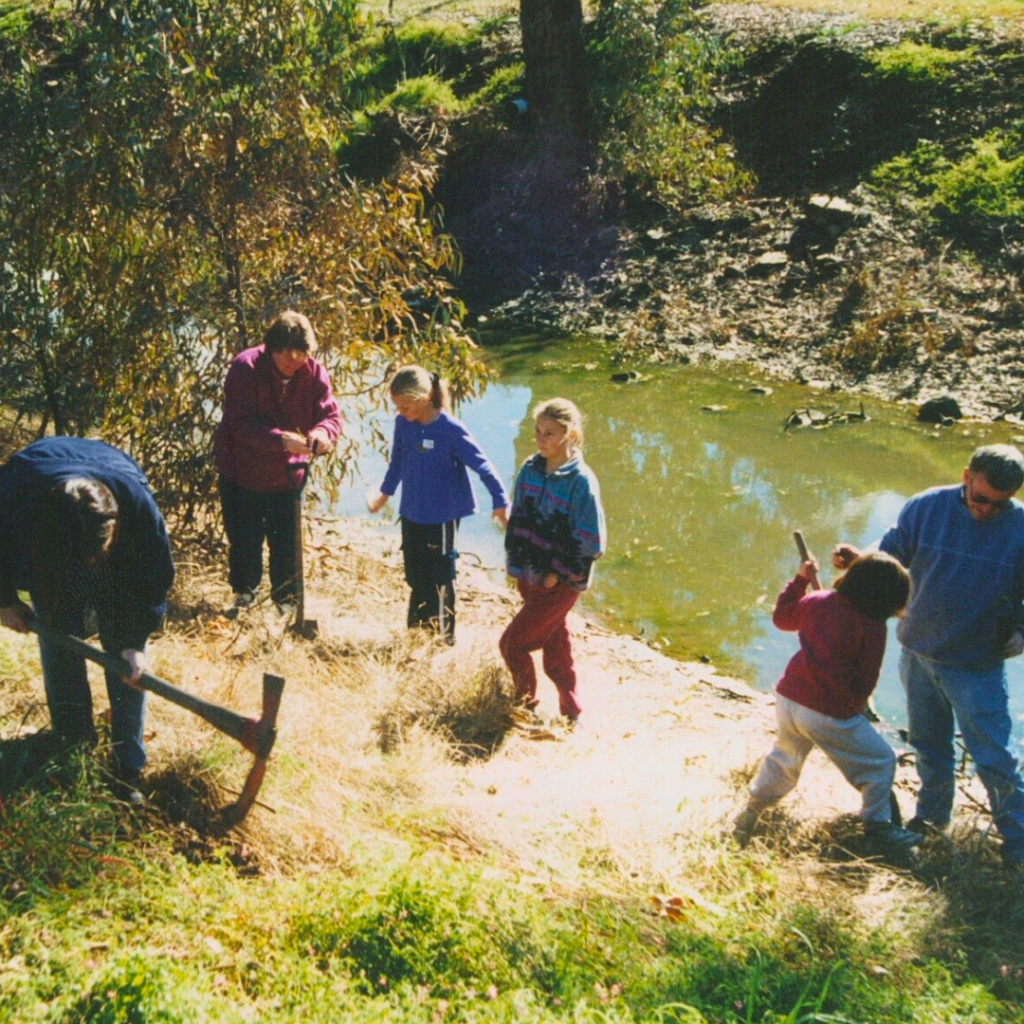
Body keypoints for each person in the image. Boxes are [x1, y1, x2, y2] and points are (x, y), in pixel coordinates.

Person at [833, 444, 1024, 870]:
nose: (987, 510)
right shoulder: (926, 507)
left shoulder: (1021, 528)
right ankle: (932, 821)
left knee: (994, 758)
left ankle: (1018, 842)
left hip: (977, 665)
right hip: (918, 652)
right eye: (980, 498)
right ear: (966, 477)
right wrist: (858, 562)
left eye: (1000, 504)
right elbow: (890, 554)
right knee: (929, 747)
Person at [0, 437, 175, 804]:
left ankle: (128, 766)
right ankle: (73, 744)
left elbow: (155, 576)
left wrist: (134, 643)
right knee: (58, 635)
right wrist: (6, 602)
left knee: (127, 665)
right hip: (45, 546)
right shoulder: (14, 496)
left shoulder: (137, 508)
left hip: (121, 559)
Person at [732, 551, 922, 859]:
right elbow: (866, 678)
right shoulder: (872, 626)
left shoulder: (818, 601)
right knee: (881, 761)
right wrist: (857, 709)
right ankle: (878, 827)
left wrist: (800, 581)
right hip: (826, 710)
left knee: (784, 758)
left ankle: (751, 811)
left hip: (789, 698)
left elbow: (782, 618)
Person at [367, 365, 509, 644]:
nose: (400, 412)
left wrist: (500, 500)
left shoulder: (449, 429)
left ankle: (443, 640)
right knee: (415, 575)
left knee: (440, 577)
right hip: (411, 512)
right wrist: (384, 495)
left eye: (405, 406)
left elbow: (482, 465)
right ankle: (417, 633)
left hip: (441, 516)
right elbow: (397, 463)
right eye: (397, 407)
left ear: (423, 398)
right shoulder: (403, 424)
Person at [213, 310, 342, 611]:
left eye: (300, 354)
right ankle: (244, 594)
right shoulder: (245, 368)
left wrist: (323, 434)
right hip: (241, 470)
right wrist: (281, 439)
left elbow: (331, 416)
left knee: (286, 543)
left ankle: (286, 603)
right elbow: (239, 424)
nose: (292, 361)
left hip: (287, 475)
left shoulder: (314, 373)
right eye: (285, 354)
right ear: (271, 348)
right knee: (244, 539)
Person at [500, 398, 606, 722]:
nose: (541, 439)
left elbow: (591, 540)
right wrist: (516, 564)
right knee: (555, 642)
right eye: (538, 431)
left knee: (512, 644)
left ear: (570, 435)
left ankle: (524, 705)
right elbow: (519, 518)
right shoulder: (530, 469)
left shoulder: (581, 481)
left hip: (560, 584)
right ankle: (571, 709)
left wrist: (557, 574)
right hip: (530, 576)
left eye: (549, 433)